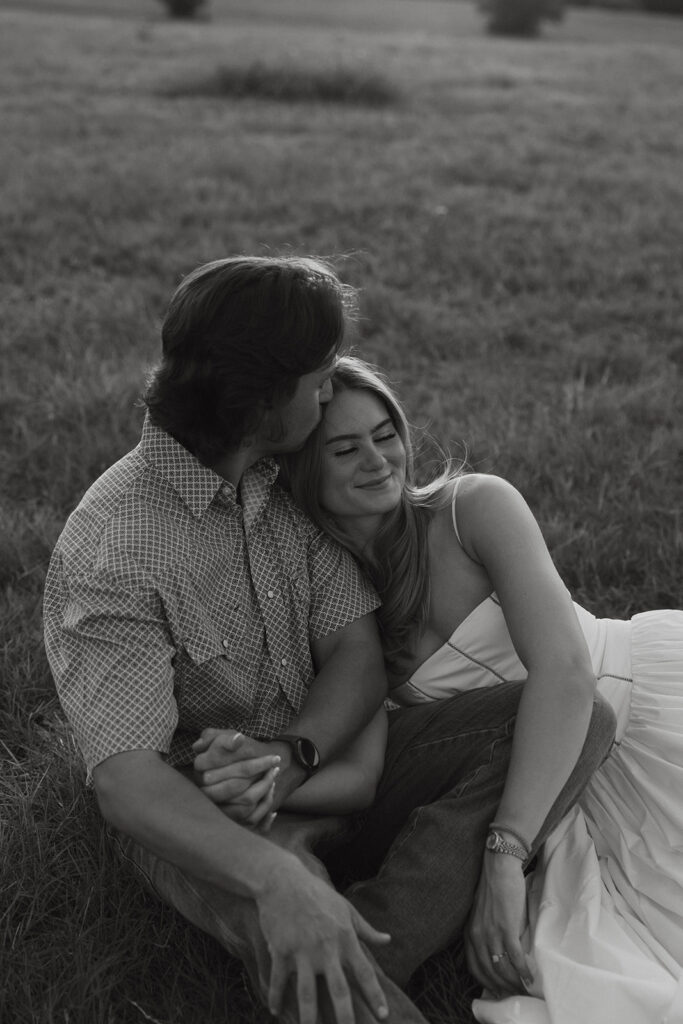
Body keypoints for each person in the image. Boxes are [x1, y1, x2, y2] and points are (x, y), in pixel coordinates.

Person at [43, 258, 614, 1024]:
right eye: (316, 379)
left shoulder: (278, 480)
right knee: (302, 941)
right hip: (203, 804)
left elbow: (355, 651)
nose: (328, 388)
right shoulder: (115, 548)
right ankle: (346, 964)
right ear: (262, 400)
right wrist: (274, 878)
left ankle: (380, 935)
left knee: (574, 720)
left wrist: (293, 753)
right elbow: (126, 781)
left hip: (321, 761)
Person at [273, 354, 683, 1024]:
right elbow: (372, 767)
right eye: (344, 449)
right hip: (547, 778)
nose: (377, 460)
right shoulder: (333, 606)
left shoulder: (471, 508)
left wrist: (503, 858)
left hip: (643, 701)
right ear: (303, 472)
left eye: (385, 434)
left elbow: (566, 673)